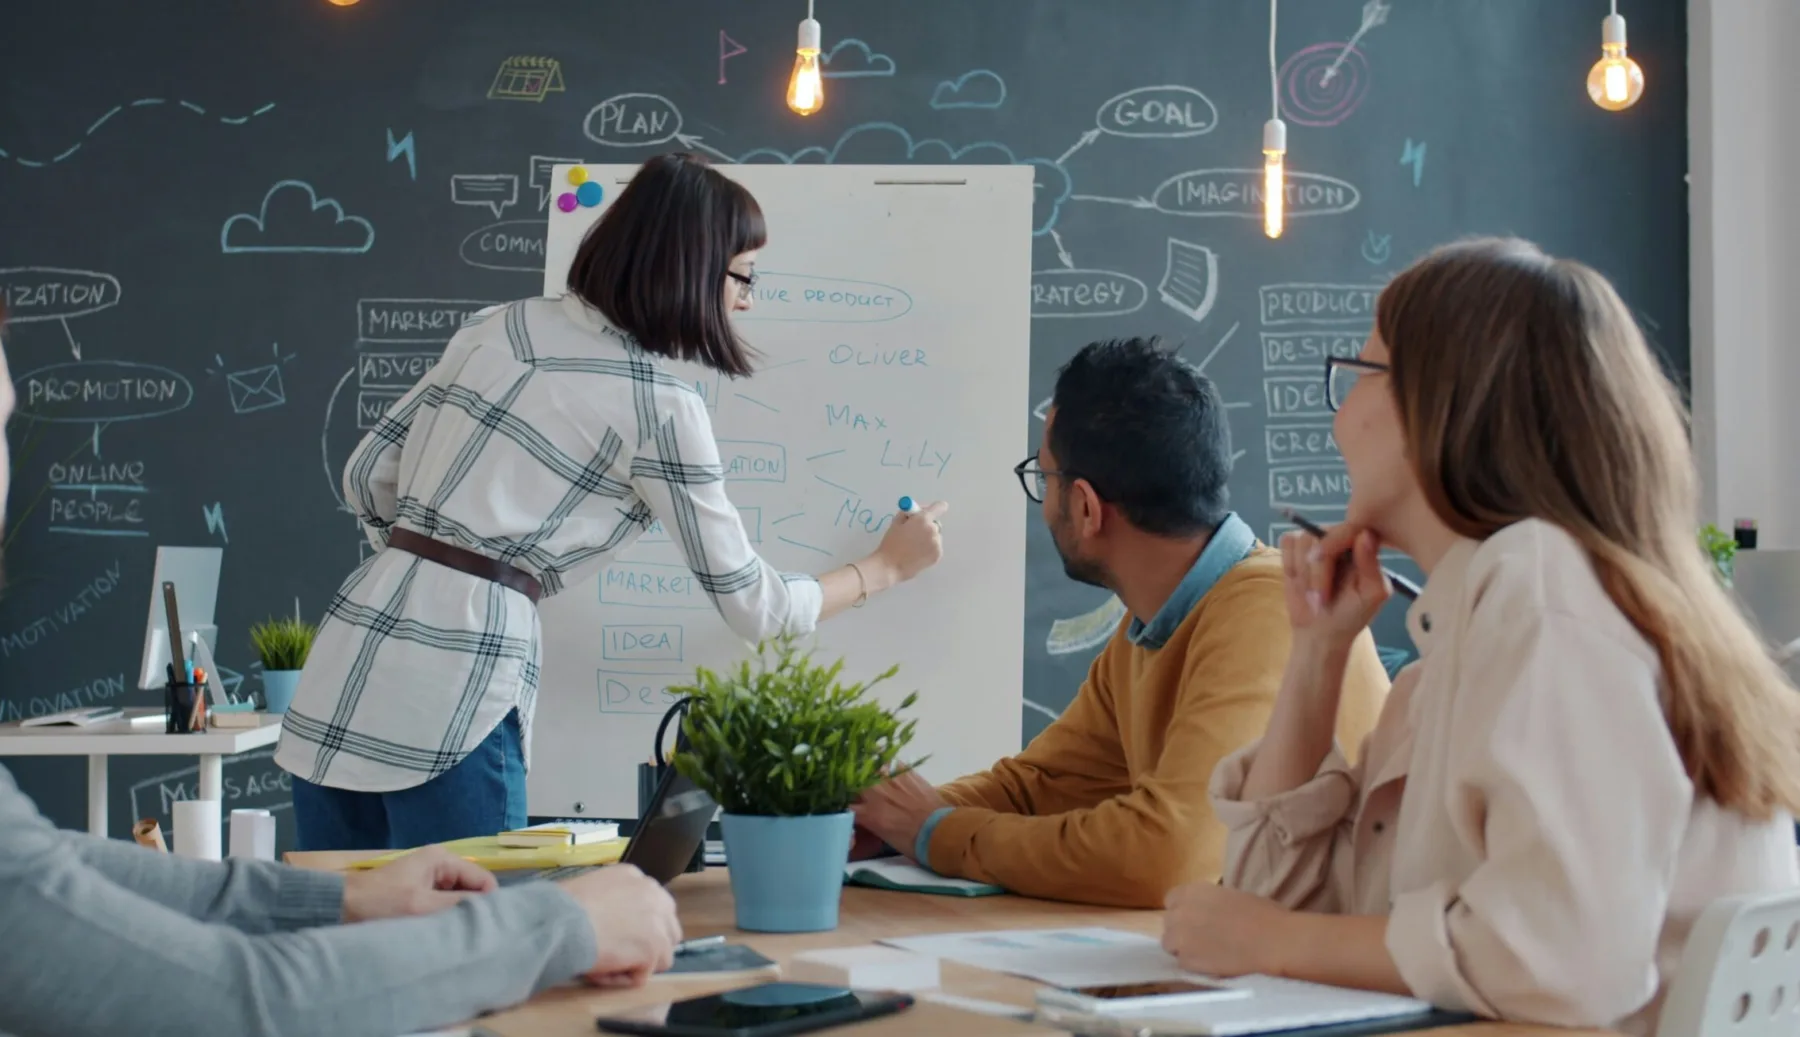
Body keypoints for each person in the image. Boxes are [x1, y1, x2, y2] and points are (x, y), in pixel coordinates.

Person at [1159, 238, 1800, 1035]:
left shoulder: (1544, 586)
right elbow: (1251, 917)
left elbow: (1567, 961)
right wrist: (1318, 655)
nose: (1338, 418)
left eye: (1358, 376)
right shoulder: (1458, 658)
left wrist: (1283, 941)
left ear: (1438, 406)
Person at [0, 306, 682, 1037]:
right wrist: (561, 924)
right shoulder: (656, 401)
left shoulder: (496, 335)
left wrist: (341, 902)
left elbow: (57, 872)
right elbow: (244, 1005)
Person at [275, 152, 948, 851]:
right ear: (691, 267)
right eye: (743, 273)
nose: (747, 299)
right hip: (460, 680)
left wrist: (431, 553)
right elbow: (761, 607)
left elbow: (365, 473)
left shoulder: (498, 325)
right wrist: (885, 569)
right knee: (480, 935)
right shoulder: (659, 406)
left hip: (347, 655)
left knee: (343, 934)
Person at [851, 338, 1388, 908]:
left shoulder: (1266, 610)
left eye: (1044, 477)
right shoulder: (1154, 622)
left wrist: (934, 832)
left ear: (1085, 507)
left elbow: (1170, 855)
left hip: (1320, 979)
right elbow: (1043, 788)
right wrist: (886, 820)